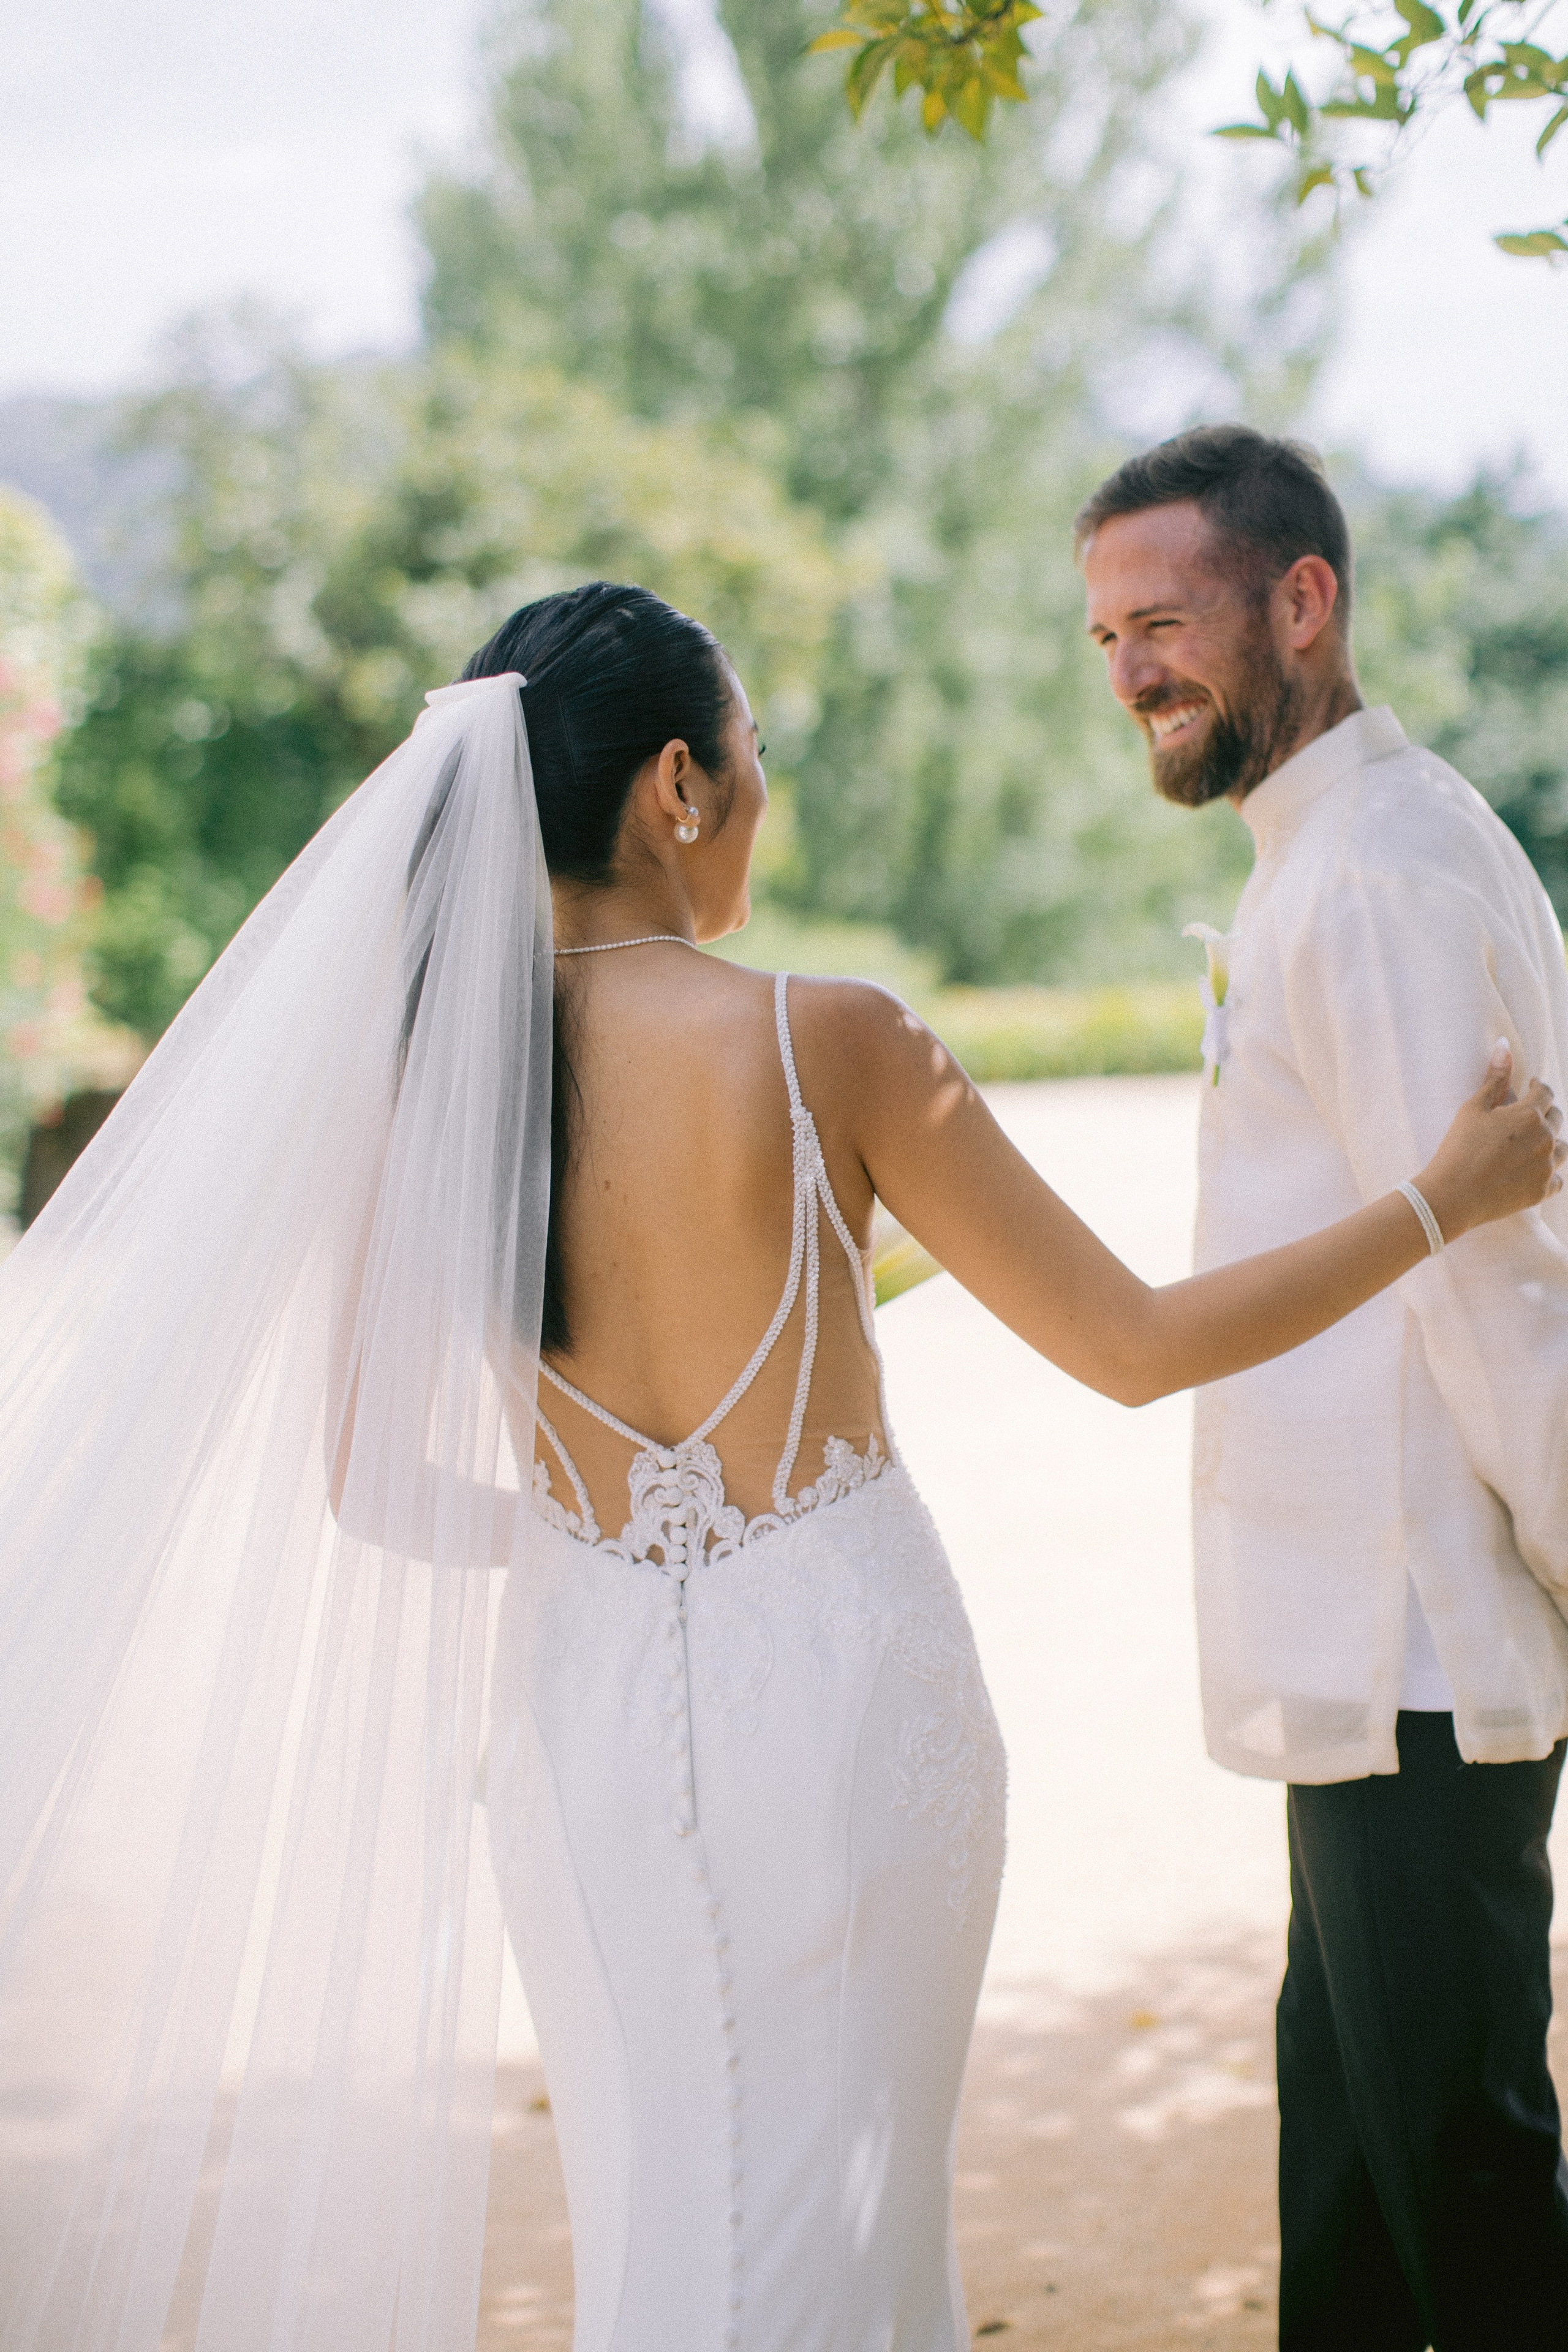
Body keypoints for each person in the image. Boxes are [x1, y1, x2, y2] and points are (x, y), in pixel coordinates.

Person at [0, 580, 1556, 2352]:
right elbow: (1132, 1347)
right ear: (675, 784)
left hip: (575, 1726)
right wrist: (1447, 1195)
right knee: (844, 2218)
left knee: (666, 2208)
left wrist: (625, 1554)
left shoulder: (438, 1075)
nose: (757, 790)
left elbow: (370, 1479)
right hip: (842, 1705)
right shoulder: (833, 1040)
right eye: (750, 755)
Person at [1076, 424, 1568, 2352]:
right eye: (1107, 634)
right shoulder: (1343, 848)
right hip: (1363, 1658)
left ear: (1304, 602)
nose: (1132, 672)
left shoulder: (1369, 876)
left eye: (1168, 621)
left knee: (1456, 2174)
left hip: (1423, 1647)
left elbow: (1497, 1293)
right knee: (1355, 2169)